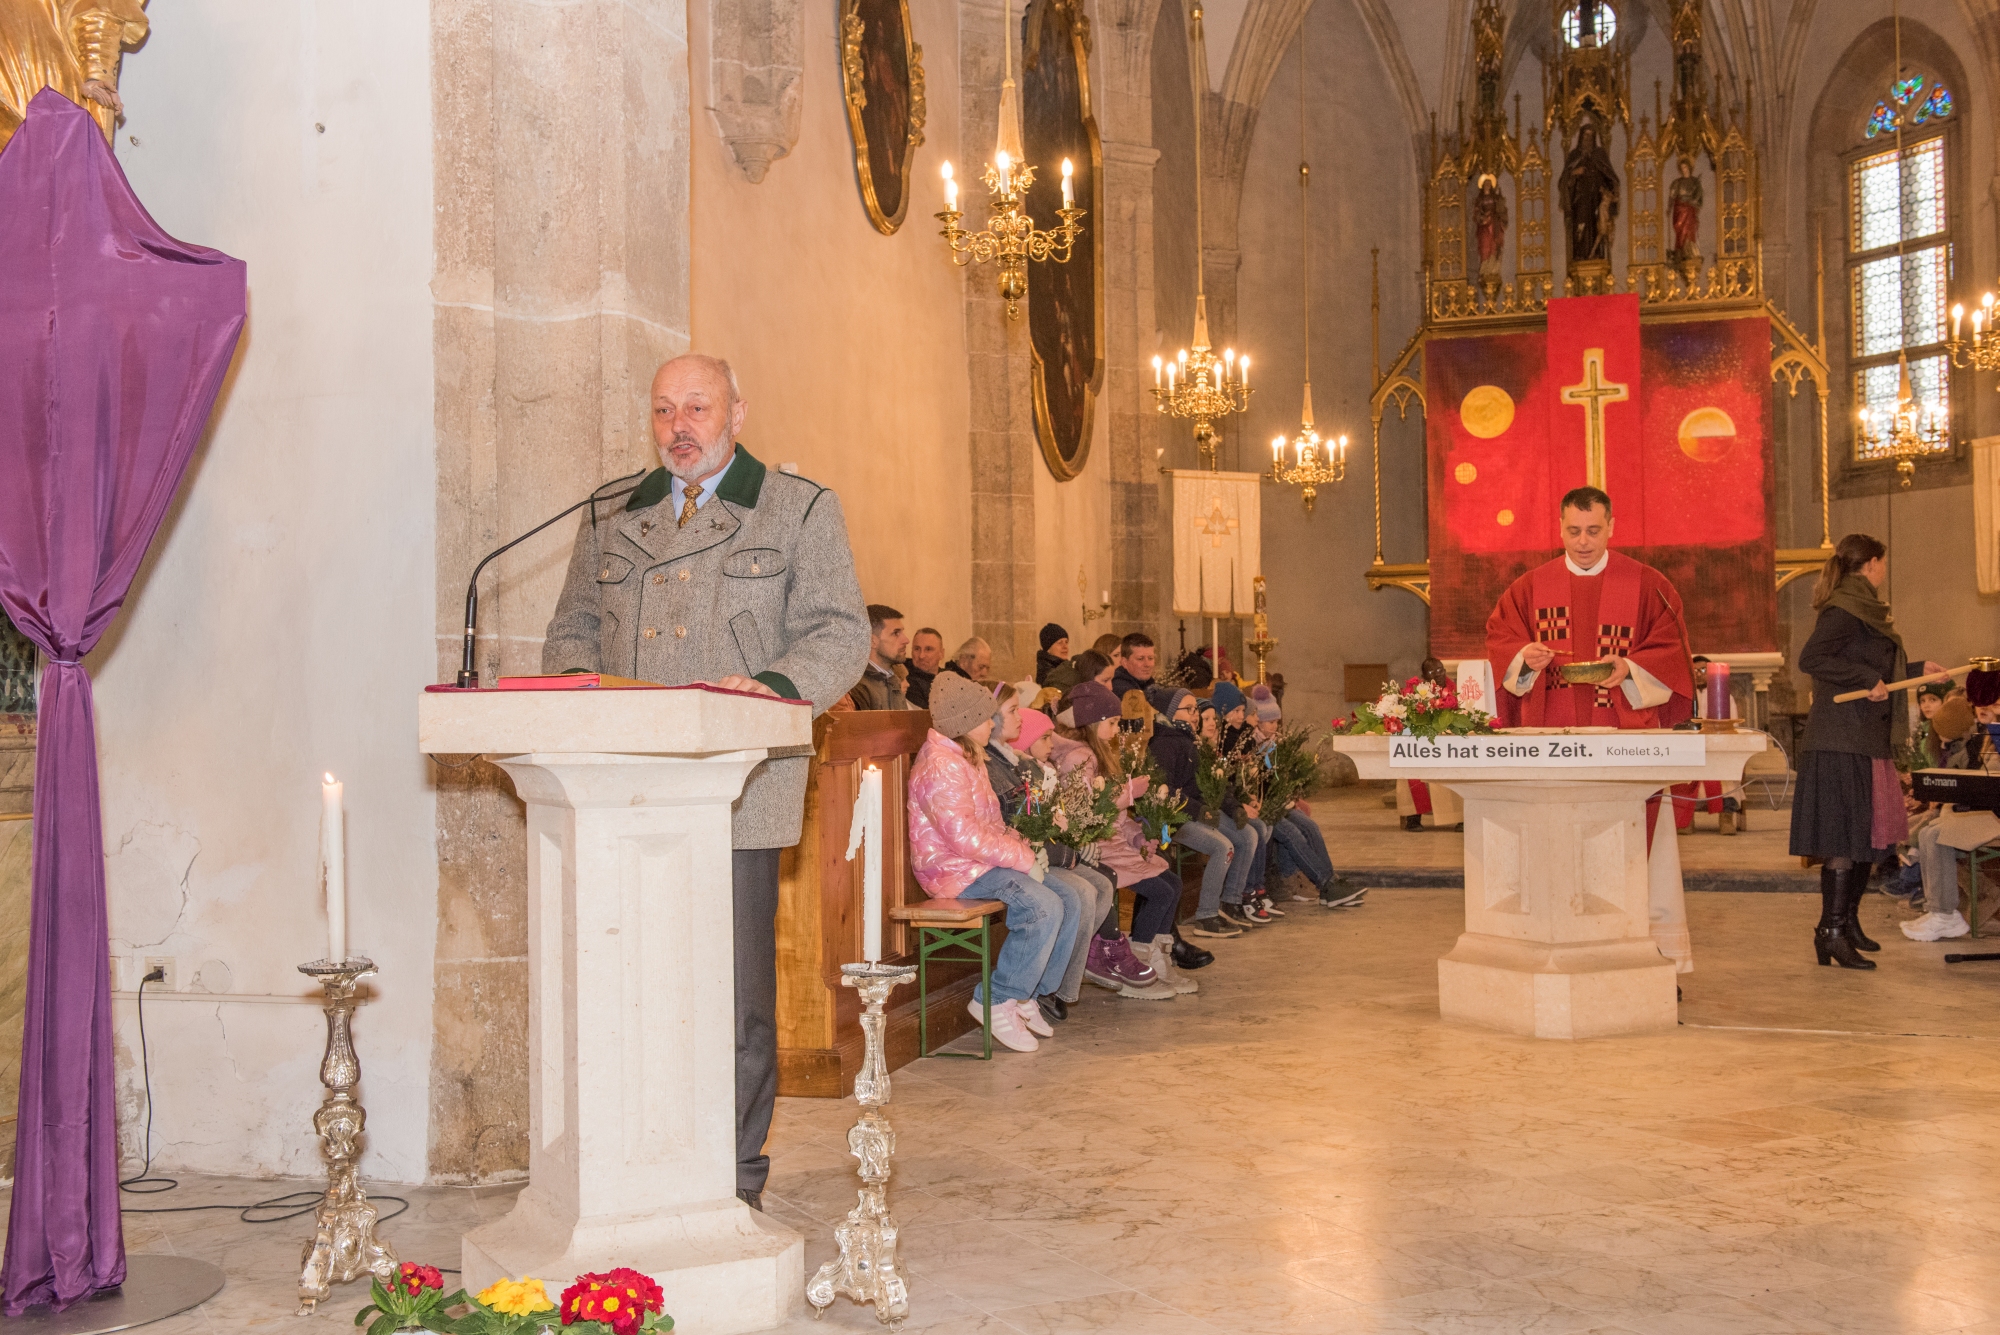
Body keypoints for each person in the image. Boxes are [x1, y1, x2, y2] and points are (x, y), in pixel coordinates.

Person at [542, 352, 870, 1210]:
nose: (678, 426)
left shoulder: (797, 508)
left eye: (697, 407)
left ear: (737, 413)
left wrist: (774, 687)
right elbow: (573, 627)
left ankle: (733, 1177)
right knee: (627, 984)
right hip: (619, 791)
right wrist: (578, 688)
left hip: (737, 788)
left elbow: (840, 633)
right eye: (663, 410)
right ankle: (627, 1161)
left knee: (730, 999)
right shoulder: (611, 512)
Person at [1485, 485, 1698, 973]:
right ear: (1560, 528)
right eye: (1574, 530)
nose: (1583, 541)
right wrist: (1524, 657)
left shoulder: (1647, 585)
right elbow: (1500, 639)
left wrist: (1631, 668)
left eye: (1594, 530)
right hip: (1551, 741)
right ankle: (1559, 950)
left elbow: (1671, 650)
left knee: (1637, 854)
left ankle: (1651, 958)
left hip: (1625, 739)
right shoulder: (1529, 587)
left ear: (1611, 528)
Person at [1790, 533, 1945, 969]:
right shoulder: (1844, 607)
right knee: (1844, 838)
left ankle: (1846, 923)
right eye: (1883, 563)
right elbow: (1811, 659)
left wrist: (1916, 670)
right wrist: (1862, 678)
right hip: (1840, 741)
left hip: (1863, 739)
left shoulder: (1863, 607)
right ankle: (1831, 933)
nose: (1884, 570)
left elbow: (1876, 669)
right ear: (1872, 563)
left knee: (1864, 836)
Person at [906, 672, 1082, 1052]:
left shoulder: (968, 756)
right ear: (966, 722)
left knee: (1069, 899)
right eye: (986, 718)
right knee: (1042, 907)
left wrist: (1022, 843)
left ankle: (1026, 993)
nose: (992, 724)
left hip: (978, 862)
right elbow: (964, 838)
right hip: (952, 870)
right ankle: (997, 998)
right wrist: (1021, 856)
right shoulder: (941, 765)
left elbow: (990, 823)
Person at [1048, 681, 1189, 997]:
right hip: (1096, 849)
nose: (1116, 730)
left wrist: (1137, 837)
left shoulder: (1097, 754)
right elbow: (1082, 813)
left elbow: (1117, 818)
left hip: (1114, 842)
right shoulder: (1077, 759)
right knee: (1161, 892)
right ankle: (1136, 963)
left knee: (1173, 884)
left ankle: (1157, 960)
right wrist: (1126, 795)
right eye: (1111, 723)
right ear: (1092, 722)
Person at [984, 685, 1116, 1017]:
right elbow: (1012, 824)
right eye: (1012, 710)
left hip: (1034, 853)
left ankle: (1058, 982)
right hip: (1018, 859)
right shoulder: (998, 764)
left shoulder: (1016, 761)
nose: (1018, 716)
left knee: (1101, 884)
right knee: (1079, 893)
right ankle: (1044, 989)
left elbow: (1040, 817)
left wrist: (1067, 845)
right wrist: (1059, 852)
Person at [1902, 670, 2000, 941]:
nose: (1985, 708)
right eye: (1981, 704)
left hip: (1993, 814)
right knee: (1927, 833)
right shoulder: (1986, 735)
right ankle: (1939, 911)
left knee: (1936, 835)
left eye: (1993, 703)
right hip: (1987, 808)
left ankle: (1945, 915)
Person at [1248, 684, 1361, 909]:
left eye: (1277, 721)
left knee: (1310, 826)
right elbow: (1257, 784)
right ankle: (1325, 884)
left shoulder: (1273, 744)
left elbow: (1278, 778)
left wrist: (1289, 795)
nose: (1275, 726)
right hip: (1263, 807)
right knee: (1292, 833)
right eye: (1270, 722)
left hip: (1278, 803)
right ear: (1257, 722)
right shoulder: (1251, 745)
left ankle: (1331, 880)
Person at [1148, 685, 1241, 939]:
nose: (1195, 714)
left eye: (1195, 709)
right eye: (1188, 709)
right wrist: (1199, 810)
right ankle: (1206, 917)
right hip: (1174, 820)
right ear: (1171, 712)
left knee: (1240, 837)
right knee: (1223, 847)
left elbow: (1197, 785)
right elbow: (1166, 790)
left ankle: (1226, 902)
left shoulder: (1187, 740)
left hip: (1192, 812)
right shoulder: (1165, 744)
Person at [846, 604, 911, 710]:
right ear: (872, 641)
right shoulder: (857, 685)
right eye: (896, 633)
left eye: (902, 632)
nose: (906, 640)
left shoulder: (893, 679)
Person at [905, 626, 944, 708]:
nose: (921, 656)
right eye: (917, 649)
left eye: (928, 649)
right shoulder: (907, 682)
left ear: (941, 653)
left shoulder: (949, 678)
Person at [1110, 632, 1157, 699]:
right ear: (1124, 662)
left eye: (1150, 658)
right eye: (1140, 659)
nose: (1147, 664)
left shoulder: (1147, 682)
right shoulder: (1120, 687)